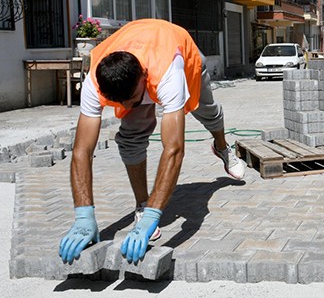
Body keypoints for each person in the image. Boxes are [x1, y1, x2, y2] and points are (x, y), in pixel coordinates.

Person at [58, 19, 247, 265]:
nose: (126, 107)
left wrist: (153, 218)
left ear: (144, 77)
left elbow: (174, 149)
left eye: (133, 98)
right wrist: (83, 214)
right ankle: (141, 203)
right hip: (140, 59)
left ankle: (221, 147)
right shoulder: (95, 80)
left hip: (182, 54)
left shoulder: (170, 71)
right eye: (120, 102)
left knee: (208, 111)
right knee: (130, 137)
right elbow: (82, 150)